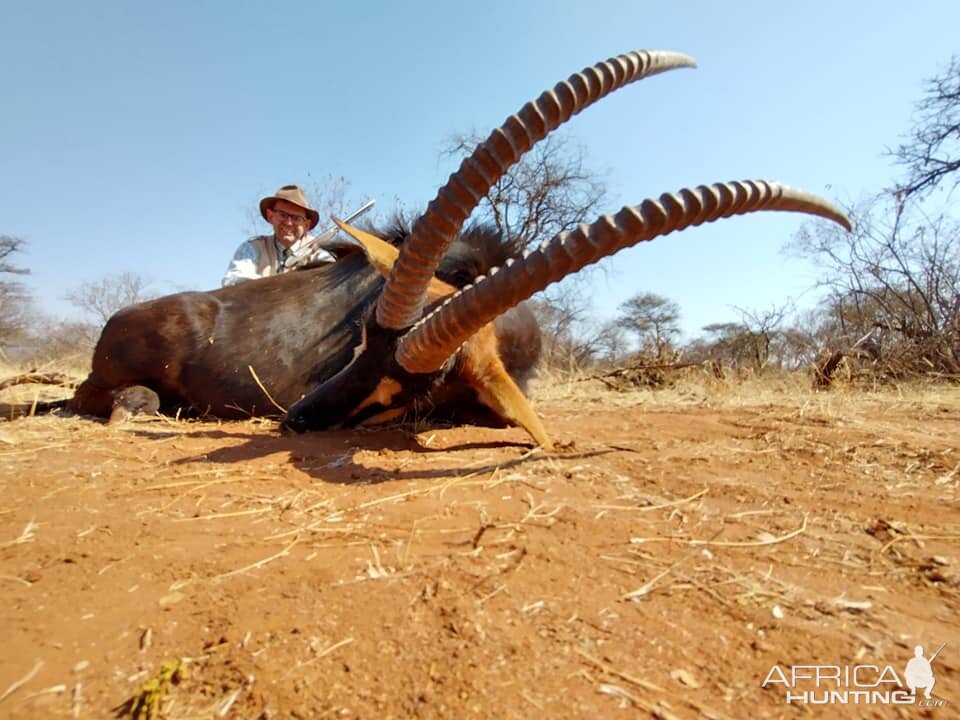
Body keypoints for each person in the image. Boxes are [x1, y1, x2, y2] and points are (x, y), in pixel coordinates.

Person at [222, 185, 333, 286]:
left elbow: (330, 282)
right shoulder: (253, 248)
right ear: (271, 216)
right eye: (283, 215)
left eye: (296, 218)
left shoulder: (319, 251)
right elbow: (233, 281)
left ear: (306, 225)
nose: (288, 223)